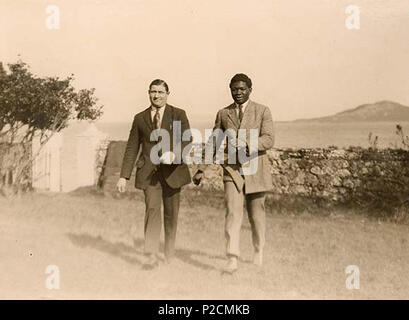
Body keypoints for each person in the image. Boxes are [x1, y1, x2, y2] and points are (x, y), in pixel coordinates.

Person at [193, 73, 274, 273]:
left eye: (242, 89)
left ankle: (258, 250)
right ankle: (232, 257)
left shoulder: (262, 111)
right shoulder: (223, 113)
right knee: (232, 213)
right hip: (232, 170)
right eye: (234, 89)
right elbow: (214, 141)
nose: (238, 93)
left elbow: (269, 139)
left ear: (250, 90)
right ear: (230, 90)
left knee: (256, 215)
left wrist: (247, 144)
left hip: (256, 171)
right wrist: (202, 168)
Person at [117, 79, 191, 269]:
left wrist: (174, 154)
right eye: (153, 92)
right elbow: (132, 147)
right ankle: (150, 254)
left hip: (173, 172)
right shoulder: (140, 118)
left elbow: (187, 140)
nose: (156, 96)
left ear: (167, 93)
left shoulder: (178, 114)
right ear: (148, 93)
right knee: (152, 211)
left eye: (160, 92)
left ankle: (169, 254)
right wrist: (123, 176)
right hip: (149, 174)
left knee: (171, 214)